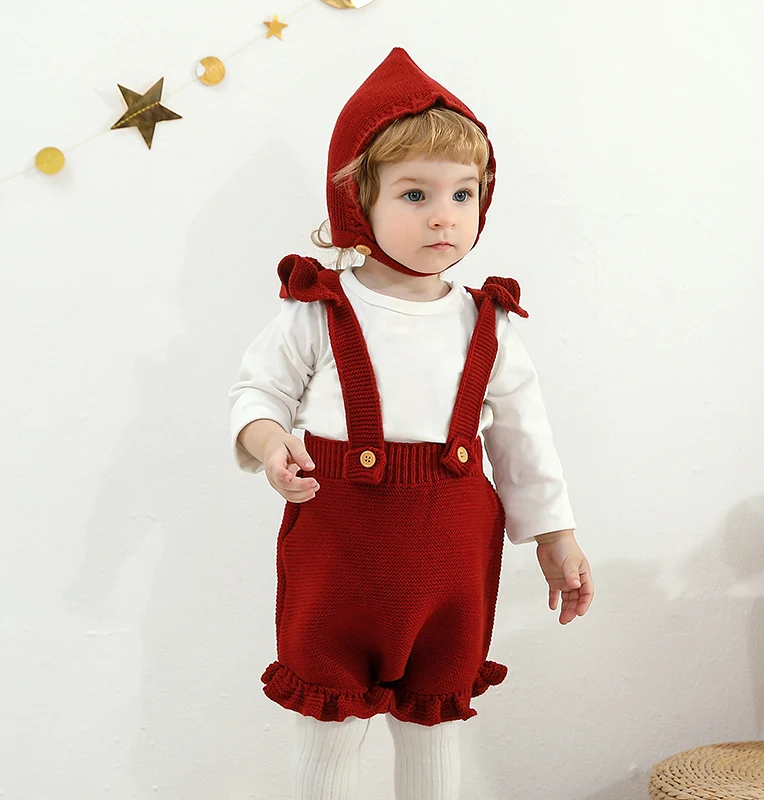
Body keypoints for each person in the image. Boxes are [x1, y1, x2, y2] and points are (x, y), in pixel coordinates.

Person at [229, 47, 594, 800]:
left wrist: (555, 538)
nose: (443, 215)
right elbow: (256, 393)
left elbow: (523, 443)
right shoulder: (320, 309)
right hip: (338, 555)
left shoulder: (487, 324)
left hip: (451, 563)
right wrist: (270, 445)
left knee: (434, 728)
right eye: (415, 193)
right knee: (329, 728)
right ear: (358, 200)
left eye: (463, 194)